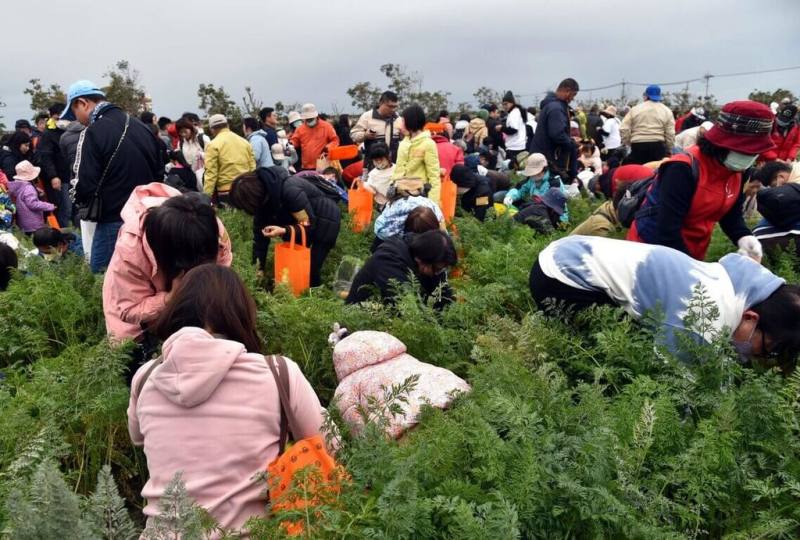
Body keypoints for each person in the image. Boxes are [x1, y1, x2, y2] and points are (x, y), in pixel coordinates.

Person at [128, 264, 326, 536]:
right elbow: (325, 442)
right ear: (240, 314)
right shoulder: (277, 373)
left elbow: (138, 438)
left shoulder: (146, 376)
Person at [531, 235, 800, 365]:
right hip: (559, 279)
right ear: (752, 317)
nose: (759, 356)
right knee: (610, 354)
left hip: (570, 247)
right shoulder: (702, 319)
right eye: (769, 349)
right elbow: (675, 381)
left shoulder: (744, 279)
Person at [628, 100, 776, 262]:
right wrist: (694, 269)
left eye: (754, 152)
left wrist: (743, 236)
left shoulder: (738, 171)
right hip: (652, 251)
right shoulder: (682, 168)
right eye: (744, 151)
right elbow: (667, 230)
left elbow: (730, 214)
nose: (749, 157)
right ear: (723, 143)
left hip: (693, 250)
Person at [103, 184, 232, 348]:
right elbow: (128, 310)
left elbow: (222, 267)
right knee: (139, 361)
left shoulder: (210, 229)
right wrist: (170, 297)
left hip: (188, 311)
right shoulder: (131, 249)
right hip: (140, 322)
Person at [63, 79, 164, 272]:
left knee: (104, 277)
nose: (77, 119)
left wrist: (79, 201)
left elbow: (85, 183)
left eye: (74, 112)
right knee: (146, 274)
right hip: (148, 216)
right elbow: (159, 172)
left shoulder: (93, 132)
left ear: (83, 103)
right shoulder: (141, 127)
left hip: (113, 219)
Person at [228, 166, 341, 287]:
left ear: (253, 198)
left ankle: (316, 295)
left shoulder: (290, 190)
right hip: (303, 220)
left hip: (327, 219)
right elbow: (259, 238)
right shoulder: (263, 203)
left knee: (310, 269)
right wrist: (259, 268)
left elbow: (308, 226)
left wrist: (284, 230)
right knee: (294, 266)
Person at [346, 229, 456, 308]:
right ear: (421, 260)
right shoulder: (389, 259)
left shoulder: (428, 259)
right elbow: (408, 309)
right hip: (362, 320)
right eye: (438, 269)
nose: (438, 273)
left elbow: (444, 298)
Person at [530, 79, 580, 179]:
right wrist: (572, 143)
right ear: (567, 91)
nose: (573, 99)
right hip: (549, 158)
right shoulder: (556, 108)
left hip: (543, 155)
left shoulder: (551, 105)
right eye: (573, 95)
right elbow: (557, 134)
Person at [392, 105, 442, 204]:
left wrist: (432, 203)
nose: (401, 124)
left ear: (410, 121)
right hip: (401, 195)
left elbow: (434, 176)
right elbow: (398, 169)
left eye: (403, 120)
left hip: (419, 196)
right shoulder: (404, 143)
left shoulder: (428, 144)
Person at [500, 153, 570, 224]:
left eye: (535, 173)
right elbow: (520, 189)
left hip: (550, 216)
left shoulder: (554, 183)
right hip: (536, 210)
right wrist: (510, 196)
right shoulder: (532, 179)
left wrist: (562, 224)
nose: (533, 175)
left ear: (543, 170)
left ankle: (512, 222)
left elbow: (560, 208)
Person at [203, 114, 256, 205]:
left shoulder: (213, 145)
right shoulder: (244, 142)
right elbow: (253, 167)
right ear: (227, 125)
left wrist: (206, 197)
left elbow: (211, 173)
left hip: (226, 190)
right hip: (246, 187)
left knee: (230, 218)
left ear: (212, 129)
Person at [35, 103, 72, 226]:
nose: (61, 121)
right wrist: (53, 176)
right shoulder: (48, 134)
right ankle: (62, 235)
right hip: (57, 178)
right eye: (57, 118)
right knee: (62, 207)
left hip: (69, 175)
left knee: (70, 207)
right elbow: (46, 157)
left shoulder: (69, 129)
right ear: (51, 117)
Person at [374, 181, 445, 244]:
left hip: (392, 241)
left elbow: (380, 226)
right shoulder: (431, 203)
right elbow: (441, 225)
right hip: (430, 239)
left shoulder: (395, 204)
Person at [620, 85, 676, 164]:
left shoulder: (635, 109)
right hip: (658, 146)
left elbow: (623, 128)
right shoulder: (666, 110)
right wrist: (669, 148)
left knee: (637, 172)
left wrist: (629, 142)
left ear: (646, 96)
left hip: (638, 145)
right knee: (657, 173)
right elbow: (670, 133)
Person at [7, 161, 56, 234]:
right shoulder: (29, 188)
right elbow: (33, 204)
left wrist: (36, 190)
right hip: (33, 223)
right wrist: (49, 206)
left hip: (24, 223)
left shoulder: (18, 186)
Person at [289, 103, 339, 171]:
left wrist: (328, 147)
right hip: (306, 166)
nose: (309, 120)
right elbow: (295, 141)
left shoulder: (327, 126)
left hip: (323, 165)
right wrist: (290, 144)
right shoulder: (300, 129)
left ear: (316, 116)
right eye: (307, 119)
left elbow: (335, 140)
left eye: (311, 118)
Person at [499, 91, 527, 162]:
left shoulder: (514, 113)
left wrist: (501, 128)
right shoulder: (517, 112)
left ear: (512, 103)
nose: (504, 106)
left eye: (506, 104)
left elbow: (513, 130)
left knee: (510, 171)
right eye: (503, 104)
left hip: (514, 147)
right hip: (519, 145)